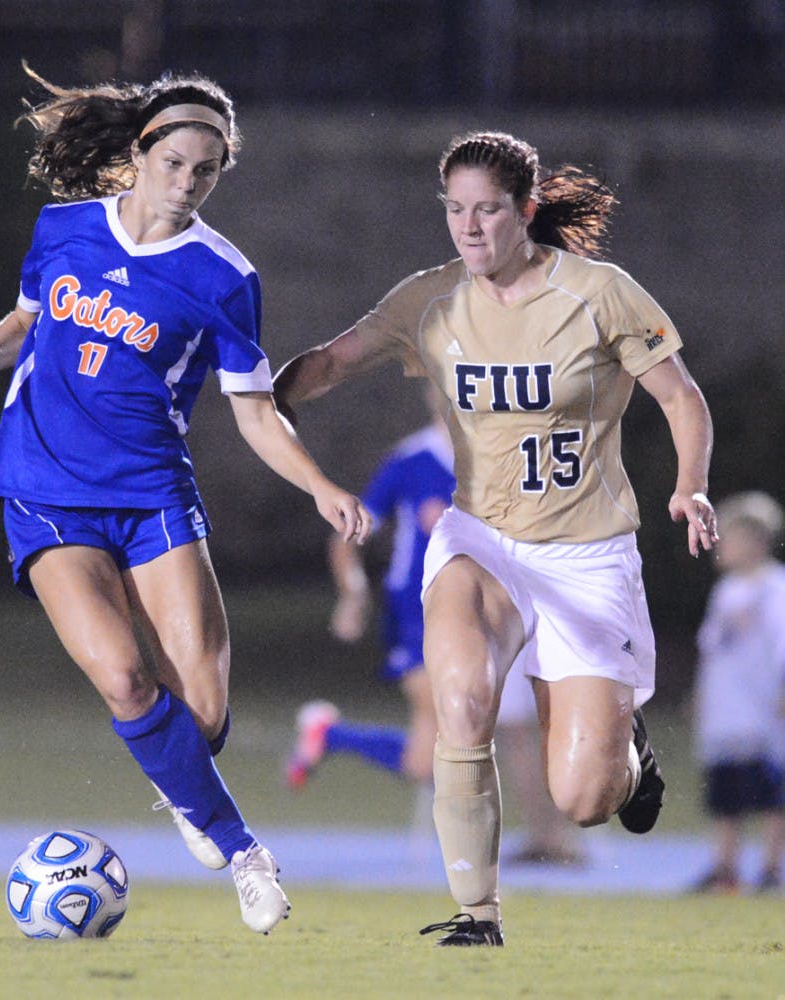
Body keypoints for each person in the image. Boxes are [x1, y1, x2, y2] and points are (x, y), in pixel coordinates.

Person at [0, 65, 371, 935]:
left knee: (201, 718)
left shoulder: (222, 276)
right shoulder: (62, 229)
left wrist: (319, 485)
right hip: (44, 486)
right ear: (137, 154)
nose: (187, 182)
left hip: (152, 491)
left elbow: (253, 409)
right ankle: (245, 852)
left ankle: (183, 787)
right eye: (173, 162)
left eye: (206, 170)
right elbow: (27, 320)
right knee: (126, 677)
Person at [273, 129, 717, 946]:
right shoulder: (430, 299)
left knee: (584, 799)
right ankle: (479, 914)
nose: (469, 228)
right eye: (455, 211)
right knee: (463, 705)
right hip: (482, 543)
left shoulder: (600, 292)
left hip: (587, 558)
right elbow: (331, 364)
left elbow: (682, 397)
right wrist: (260, 396)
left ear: (527, 210)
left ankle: (629, 756)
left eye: (487, 211)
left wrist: (688, 485)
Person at [287, 383, 584, 866]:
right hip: (418, 616)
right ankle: (478, 858)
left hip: (494, 615)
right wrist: (354, 592)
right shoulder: (410, 462)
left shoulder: (508, 458)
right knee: (465, 730)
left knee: (448, 753)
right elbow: (347, 533)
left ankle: (545, 841)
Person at [690, 491, 785, 894]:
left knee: (768, 794)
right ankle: (725, 867)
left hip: (761, 712)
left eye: (728, 535)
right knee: (726, 793)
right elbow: (712, 650)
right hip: (726, 713)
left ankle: (768, 868)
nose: (720, 543)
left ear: (754, 540)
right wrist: (699, 695)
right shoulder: (726, 590)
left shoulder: (775, 586)